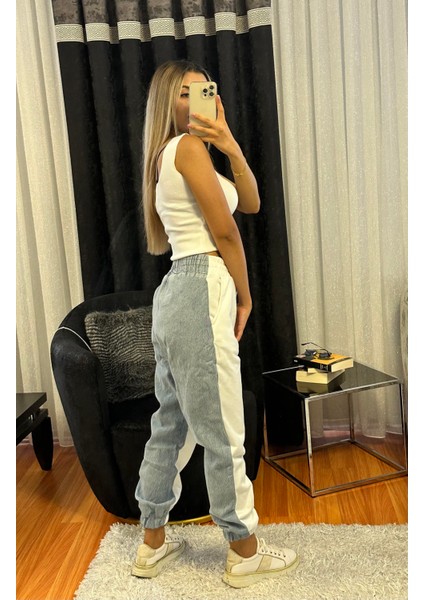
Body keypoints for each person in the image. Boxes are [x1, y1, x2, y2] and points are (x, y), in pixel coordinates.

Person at [131, 59, 299, 589]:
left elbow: (250, 201)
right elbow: (226, 232)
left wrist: (227, 142)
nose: (194, 100)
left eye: (202, 90)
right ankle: (244, 552)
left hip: (175, 294)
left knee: (171, 425)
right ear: (167, 101)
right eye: (184, 92)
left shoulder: (179, 153)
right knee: (223, 429)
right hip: (202, 285)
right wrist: (245, 297)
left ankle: (151, 545)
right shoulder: (185, 148)